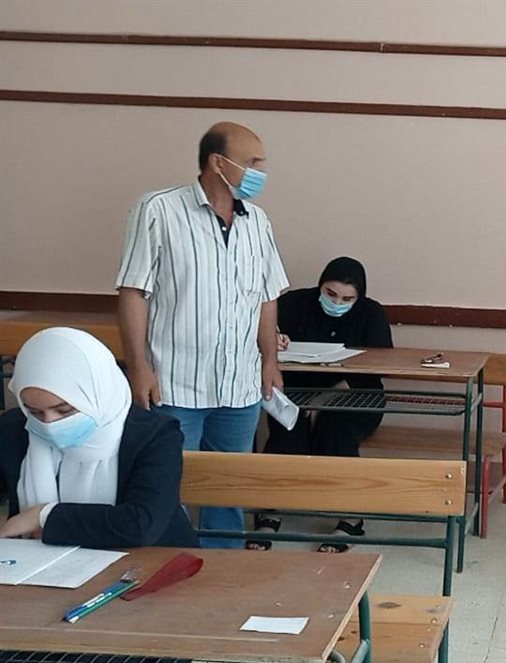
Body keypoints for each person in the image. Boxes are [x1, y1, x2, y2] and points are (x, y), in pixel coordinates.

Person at [114, 121, 289, 548]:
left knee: (228, 488)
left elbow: (266, 297)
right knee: (165, 488)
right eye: (252, 163)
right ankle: (167, 566)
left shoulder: (257, 221)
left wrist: (269, 361)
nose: (260, 172)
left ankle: (222, 566)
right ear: (218, 163)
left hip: (240, 385)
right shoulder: (158, 210)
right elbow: (134, 291)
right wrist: (138, 368)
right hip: (174, 383)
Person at [0, 328, 198, 548]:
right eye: (34, 412)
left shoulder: (155, 435)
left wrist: (44, 516)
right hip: (40, 561)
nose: (49, 423)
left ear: (97, 392)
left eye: (64, 410)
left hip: (152, 559)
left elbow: (141, 524)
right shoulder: (15, 428)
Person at [249, 257, 393, 552]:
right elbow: (262, 338)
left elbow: (378, 367)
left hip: (355, 396)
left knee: (337, 430)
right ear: (320, 286)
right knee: (287, 431)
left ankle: (350, 517)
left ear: (359, 297)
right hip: (297, 393)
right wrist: (274, 340)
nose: (337, 303)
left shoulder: (371, 314)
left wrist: (328, 398)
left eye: (347, 299)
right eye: (330, 294)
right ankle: (269, 511)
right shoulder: (293, 304)